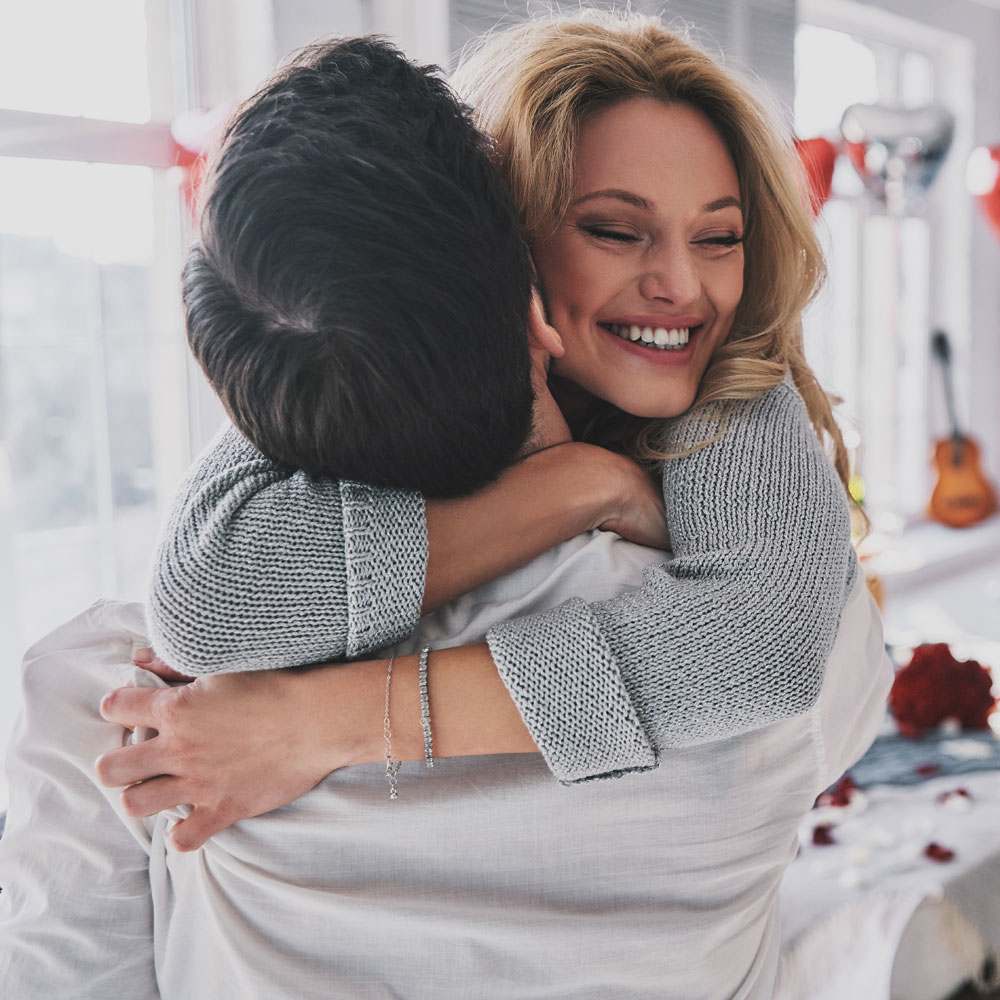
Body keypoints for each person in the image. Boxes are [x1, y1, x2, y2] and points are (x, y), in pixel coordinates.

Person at [1, 11, 892, 999]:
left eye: (719, 237)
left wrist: (318, 723)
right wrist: (576, 486)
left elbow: (760, 646)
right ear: (504, 249)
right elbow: (208, 602)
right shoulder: (358, 386)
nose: (681, 284)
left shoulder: (738, 419)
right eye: (611, 226)